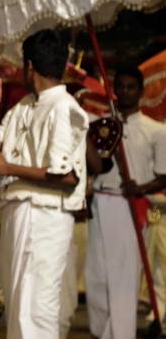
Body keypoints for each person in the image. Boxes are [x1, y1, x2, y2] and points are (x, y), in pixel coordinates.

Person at [0, 31, 89, 339]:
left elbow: (68, 177)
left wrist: (10, 168)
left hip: (44, 215)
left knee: (37, 307)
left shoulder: (63, 106)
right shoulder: (23, 106)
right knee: (17, 303)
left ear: (29, 67)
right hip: (18, 210)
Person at [85, 65, 166, 338]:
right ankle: (101, 332)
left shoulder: (156, 130)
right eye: (120, 86)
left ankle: (120, 335)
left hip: (128, 206)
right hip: (99, 202)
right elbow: (93, 164)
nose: (124, 91)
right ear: (114, 89)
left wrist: (141, 187)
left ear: (141, 92)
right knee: (96, 277)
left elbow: (164, 176)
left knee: (122, 278)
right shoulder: (102, 124)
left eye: (131, 87)